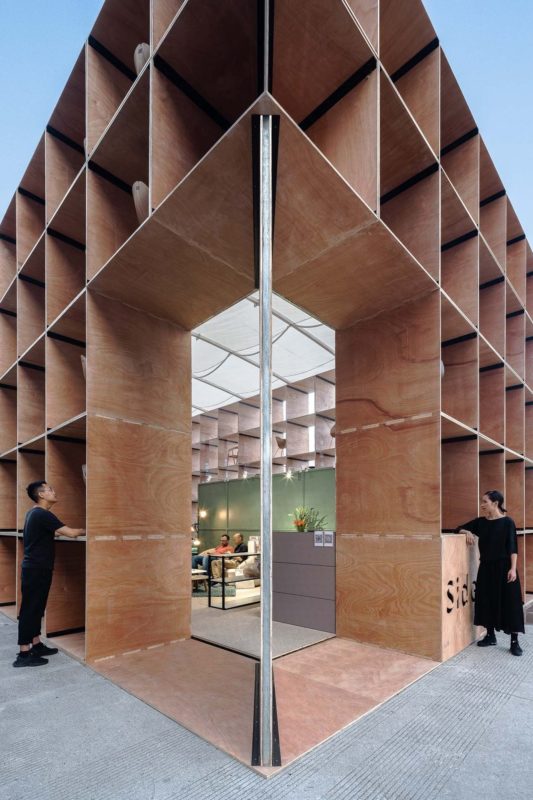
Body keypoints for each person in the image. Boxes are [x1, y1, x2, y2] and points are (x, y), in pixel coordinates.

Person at [13, 481, 86, 668]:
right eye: (50, 489)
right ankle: (24, 654)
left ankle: (36, 644)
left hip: (36, 568)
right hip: (36, 569)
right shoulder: (42, 514)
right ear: (41, 495)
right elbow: (71, 533)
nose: (54, 492)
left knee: (37, 607)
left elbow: (51, 533)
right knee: (30, 609)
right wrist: (88, 530)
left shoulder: (34, 513)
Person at [457, 490, 524, 656]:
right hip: (486, 568)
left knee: (511, 603)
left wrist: (513, 568)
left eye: (485, 501)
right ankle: (490, 636)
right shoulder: (480, 523)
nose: (482, 504)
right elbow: (458, 528)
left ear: (495, 503)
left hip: (505, 568)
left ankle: (514, 642)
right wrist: (467, 532)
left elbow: (512, 547)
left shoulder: (508, 522)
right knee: (487, 600)